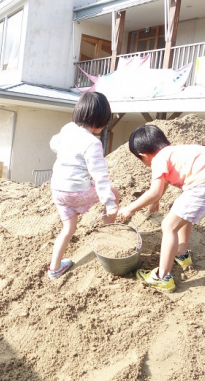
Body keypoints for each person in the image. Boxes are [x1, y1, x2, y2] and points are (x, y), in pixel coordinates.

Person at [118, 125, 205, 293]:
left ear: (144, 156)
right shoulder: (173, 152)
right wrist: (156, 200)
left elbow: (154, 191)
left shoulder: (158, 159)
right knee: (182, 214)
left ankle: (162, 277)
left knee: (168, 226)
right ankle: (181, 254)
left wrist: (131, 208)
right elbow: (162, 185)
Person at [48, 92, 119, 280]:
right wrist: (110, 203)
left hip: (58, 191)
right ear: (102, 121)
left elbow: (54, 143)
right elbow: (100, 176)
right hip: (76, 192)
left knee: (68, 229)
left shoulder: (68, 129)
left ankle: (55, 268)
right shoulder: (92, 143)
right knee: (112, 192)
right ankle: (107, 235)